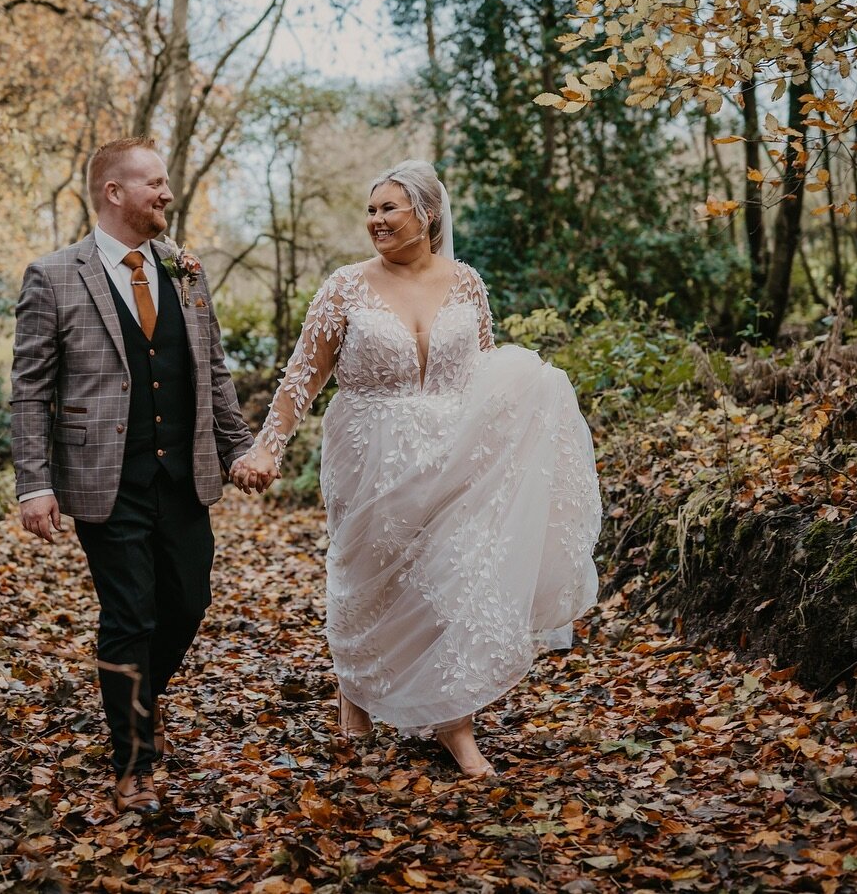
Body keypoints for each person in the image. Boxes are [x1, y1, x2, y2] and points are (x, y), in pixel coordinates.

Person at [231, 160, 601, 778]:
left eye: (388, 209)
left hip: (454, 449)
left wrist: (528, 402)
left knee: (448, 575)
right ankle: (355, 697)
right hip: (367, 448)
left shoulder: (467, 283)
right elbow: (303, 376)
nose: (374, 220)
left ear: (426, 216)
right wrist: (269, 445)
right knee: (368, 577)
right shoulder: (345, 286)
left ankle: (453, 723)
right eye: (371, 210)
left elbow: (482, 372)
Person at [11, 137, 259, 814]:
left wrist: (240, 448)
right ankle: (133, 759)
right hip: (103, 480)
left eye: (167, 180)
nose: (167, 192)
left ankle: (136, 697)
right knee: (130, 613)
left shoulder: (185, 271)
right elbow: (30, 388)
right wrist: (34, 483)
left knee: (188, 602)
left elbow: (214, 369)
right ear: (114, 192)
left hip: (183, 477)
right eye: (153, 182)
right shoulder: (54, 275)